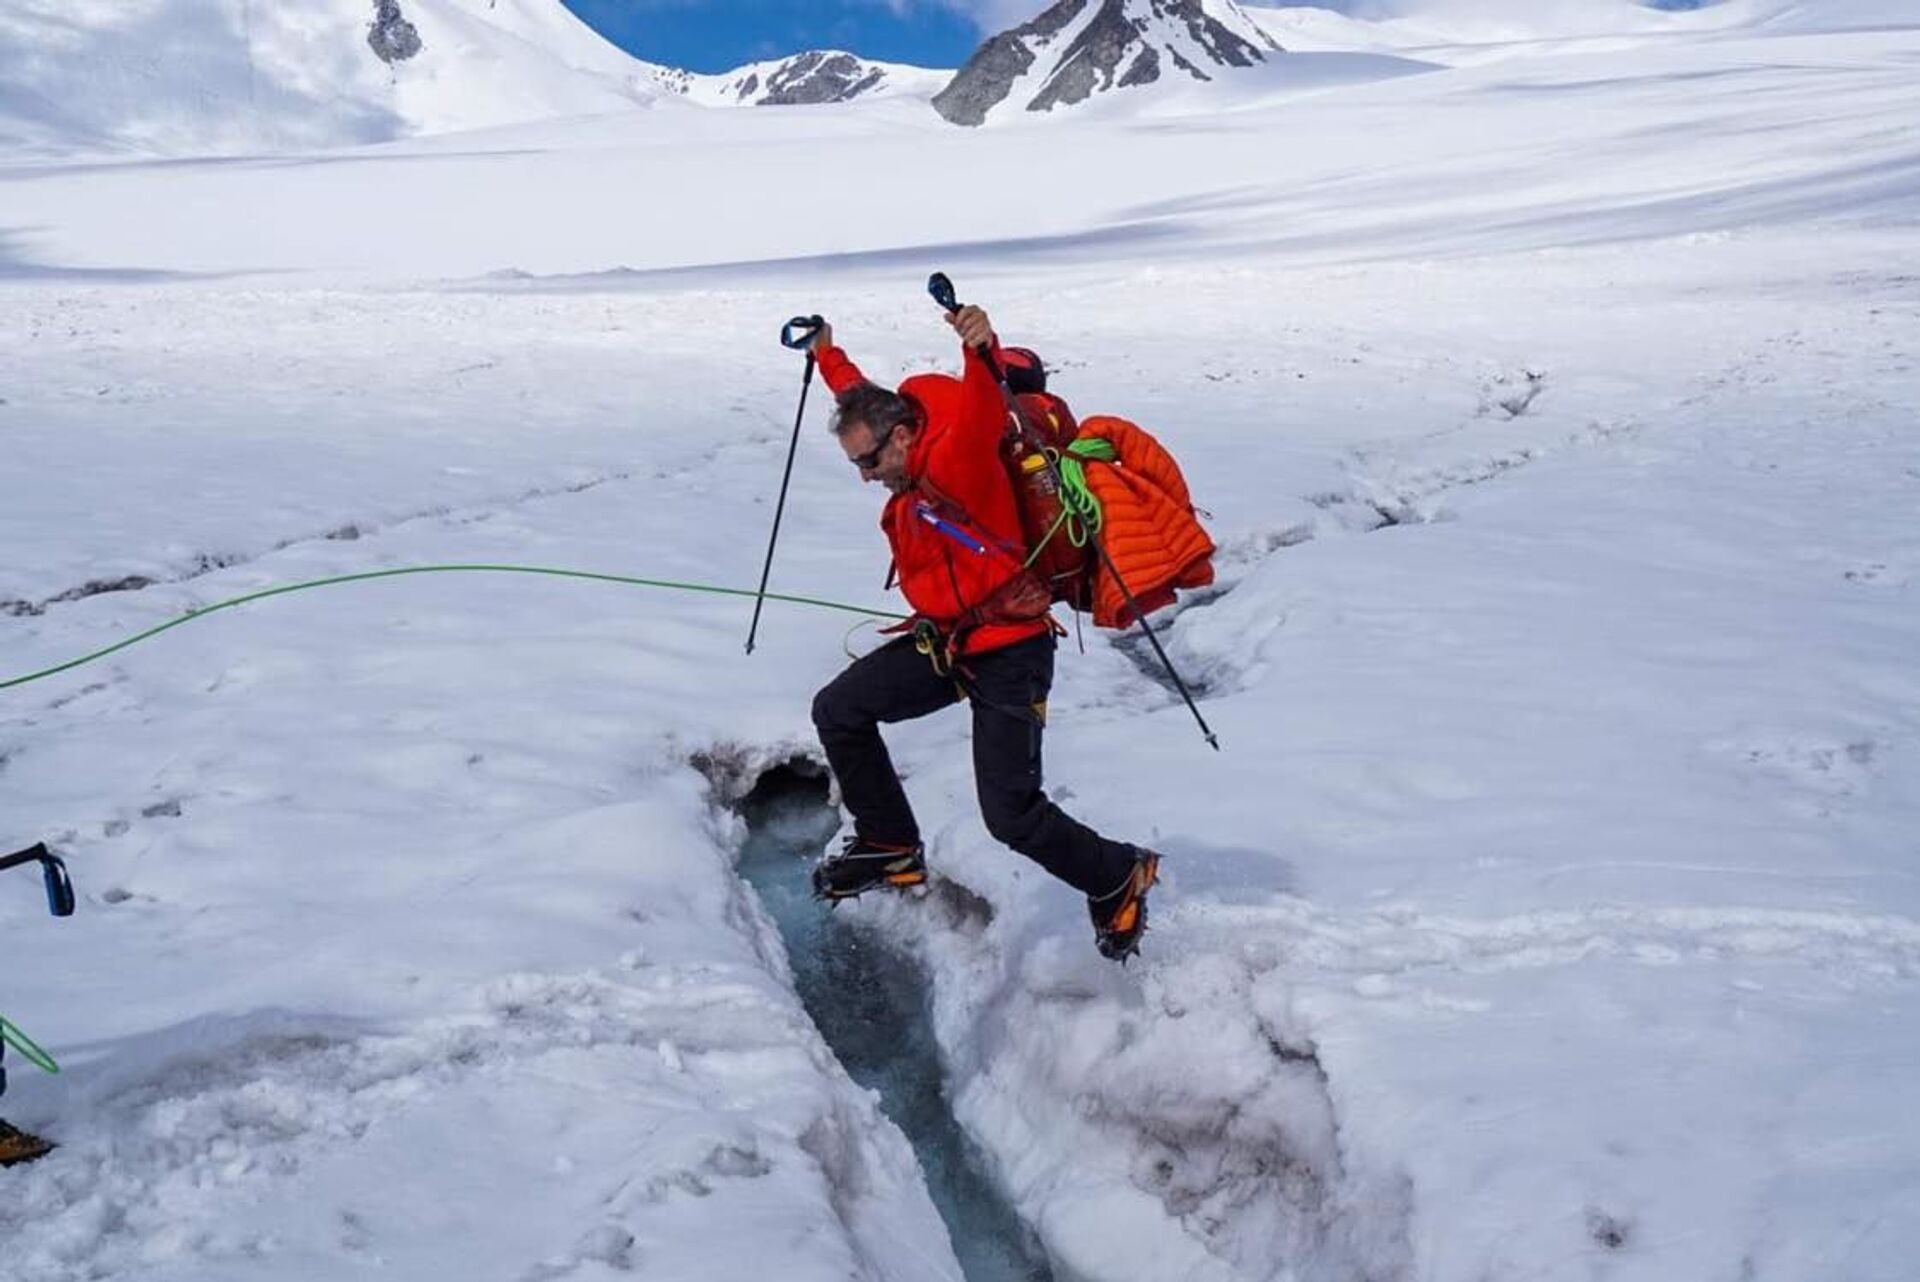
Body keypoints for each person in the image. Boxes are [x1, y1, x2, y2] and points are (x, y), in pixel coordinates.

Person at [806, 305, 1161, 961]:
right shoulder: (898, 444)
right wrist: (828, 354)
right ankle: (889, 841)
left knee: (1011, 816)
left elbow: (981, 406)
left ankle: (1116, 873)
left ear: (906, 435)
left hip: (1009, 653)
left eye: (869, 459)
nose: (865, 475)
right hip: (949, 641)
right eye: (856, 462)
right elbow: (855, 394)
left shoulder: (960, 457)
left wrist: (981, 345)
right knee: (839, 709)